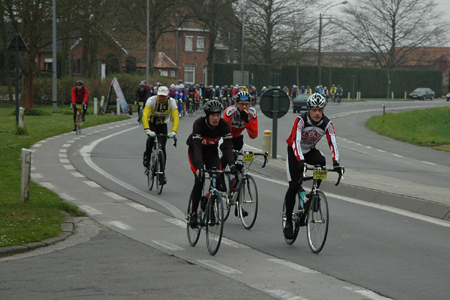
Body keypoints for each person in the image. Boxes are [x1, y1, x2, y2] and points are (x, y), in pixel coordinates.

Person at [283, 93, 342, 239]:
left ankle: (313, 192)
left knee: (321, 161)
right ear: (309, 109)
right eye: (314, 110)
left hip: (309, 150)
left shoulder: (327, 124)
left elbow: (333, 143)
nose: (317, 113)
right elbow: (295, 142)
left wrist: (336, 163)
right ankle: (289, 222)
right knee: (294, 186)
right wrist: (300, 161)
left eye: (320, 110)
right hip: (294, 151)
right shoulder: (300, 120)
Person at [187, 100, 239, 227]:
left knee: (217, 179)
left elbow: (227, 147)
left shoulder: (224, 125)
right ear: (207, 115)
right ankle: (193, 213)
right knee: (200, 179)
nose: (216, 118)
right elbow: (197, 147)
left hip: (211, 153)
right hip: (196, 151)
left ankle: (209, 206)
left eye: (218, 115)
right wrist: (199, 166)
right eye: (212, 115)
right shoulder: (199, 124)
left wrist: (232, 165)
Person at [142, 86, 179, 185]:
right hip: (152, 123)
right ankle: (147, 156)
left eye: (164, 96)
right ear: (157, 95)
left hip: (162, 124)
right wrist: (147, 130)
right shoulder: (151, 100)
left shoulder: (172, 102)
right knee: (151, 139)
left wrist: (174, 131)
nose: (162, 98)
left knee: (162, 148)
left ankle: (162, 174)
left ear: (167, 96)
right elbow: (145, 115)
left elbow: (175, 117)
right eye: (160, 96)